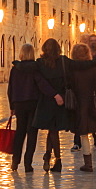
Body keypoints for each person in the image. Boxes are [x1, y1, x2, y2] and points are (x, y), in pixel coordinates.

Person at [69, 43, 96, 172]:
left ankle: (88, 164)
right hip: (94, 106)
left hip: (80, 106)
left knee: (83, 135)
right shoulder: (95, 68)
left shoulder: (72, 70)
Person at [31, 38, 70, 172]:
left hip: (46, 100)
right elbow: (79, 66)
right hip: (60, 101)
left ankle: (50, 157)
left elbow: (40, 82)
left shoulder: (39, 63)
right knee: (53, 130)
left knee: (52, 130)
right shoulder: (64, 61)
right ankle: (56, 159)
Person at [7, 43, 41, 172]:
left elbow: (10, 88)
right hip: (33, 103)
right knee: (32, 133)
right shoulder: (36, 69)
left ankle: (15, 162)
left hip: (19, 104)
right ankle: (28, 164)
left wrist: (12, 105)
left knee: (20, 132)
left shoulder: (15, 69)